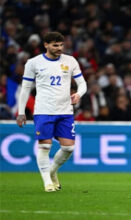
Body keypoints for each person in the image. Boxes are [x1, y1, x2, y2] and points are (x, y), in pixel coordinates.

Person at [16, 32, 87, 192]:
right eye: (55, 45)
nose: (59, 48)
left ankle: (52, 171)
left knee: (69, 148)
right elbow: (26, 88)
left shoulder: (70, 61)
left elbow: (83, 83)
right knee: (45, 146)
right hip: (43, 111)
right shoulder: (33, 63)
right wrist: (21, 112)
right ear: (46, 45)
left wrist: (78, 94)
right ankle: (47, 182)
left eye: (61, 45)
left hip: (65, 111)